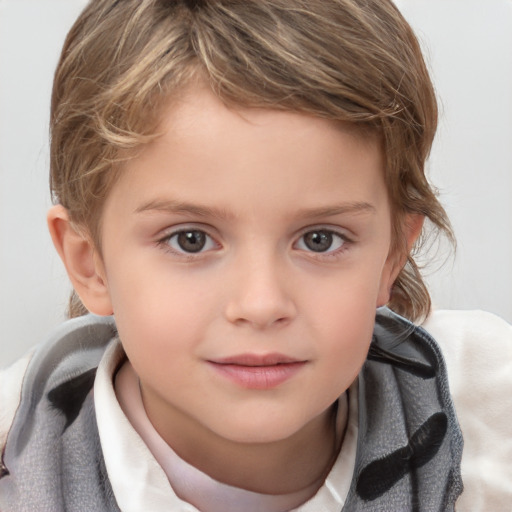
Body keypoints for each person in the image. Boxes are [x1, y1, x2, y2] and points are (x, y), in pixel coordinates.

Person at [0, 0, 510, 510]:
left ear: (392, 254)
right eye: (190, 240)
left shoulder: (491, 415)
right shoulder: (15, 462)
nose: (261, 303)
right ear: (90, 263)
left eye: (320, 239)